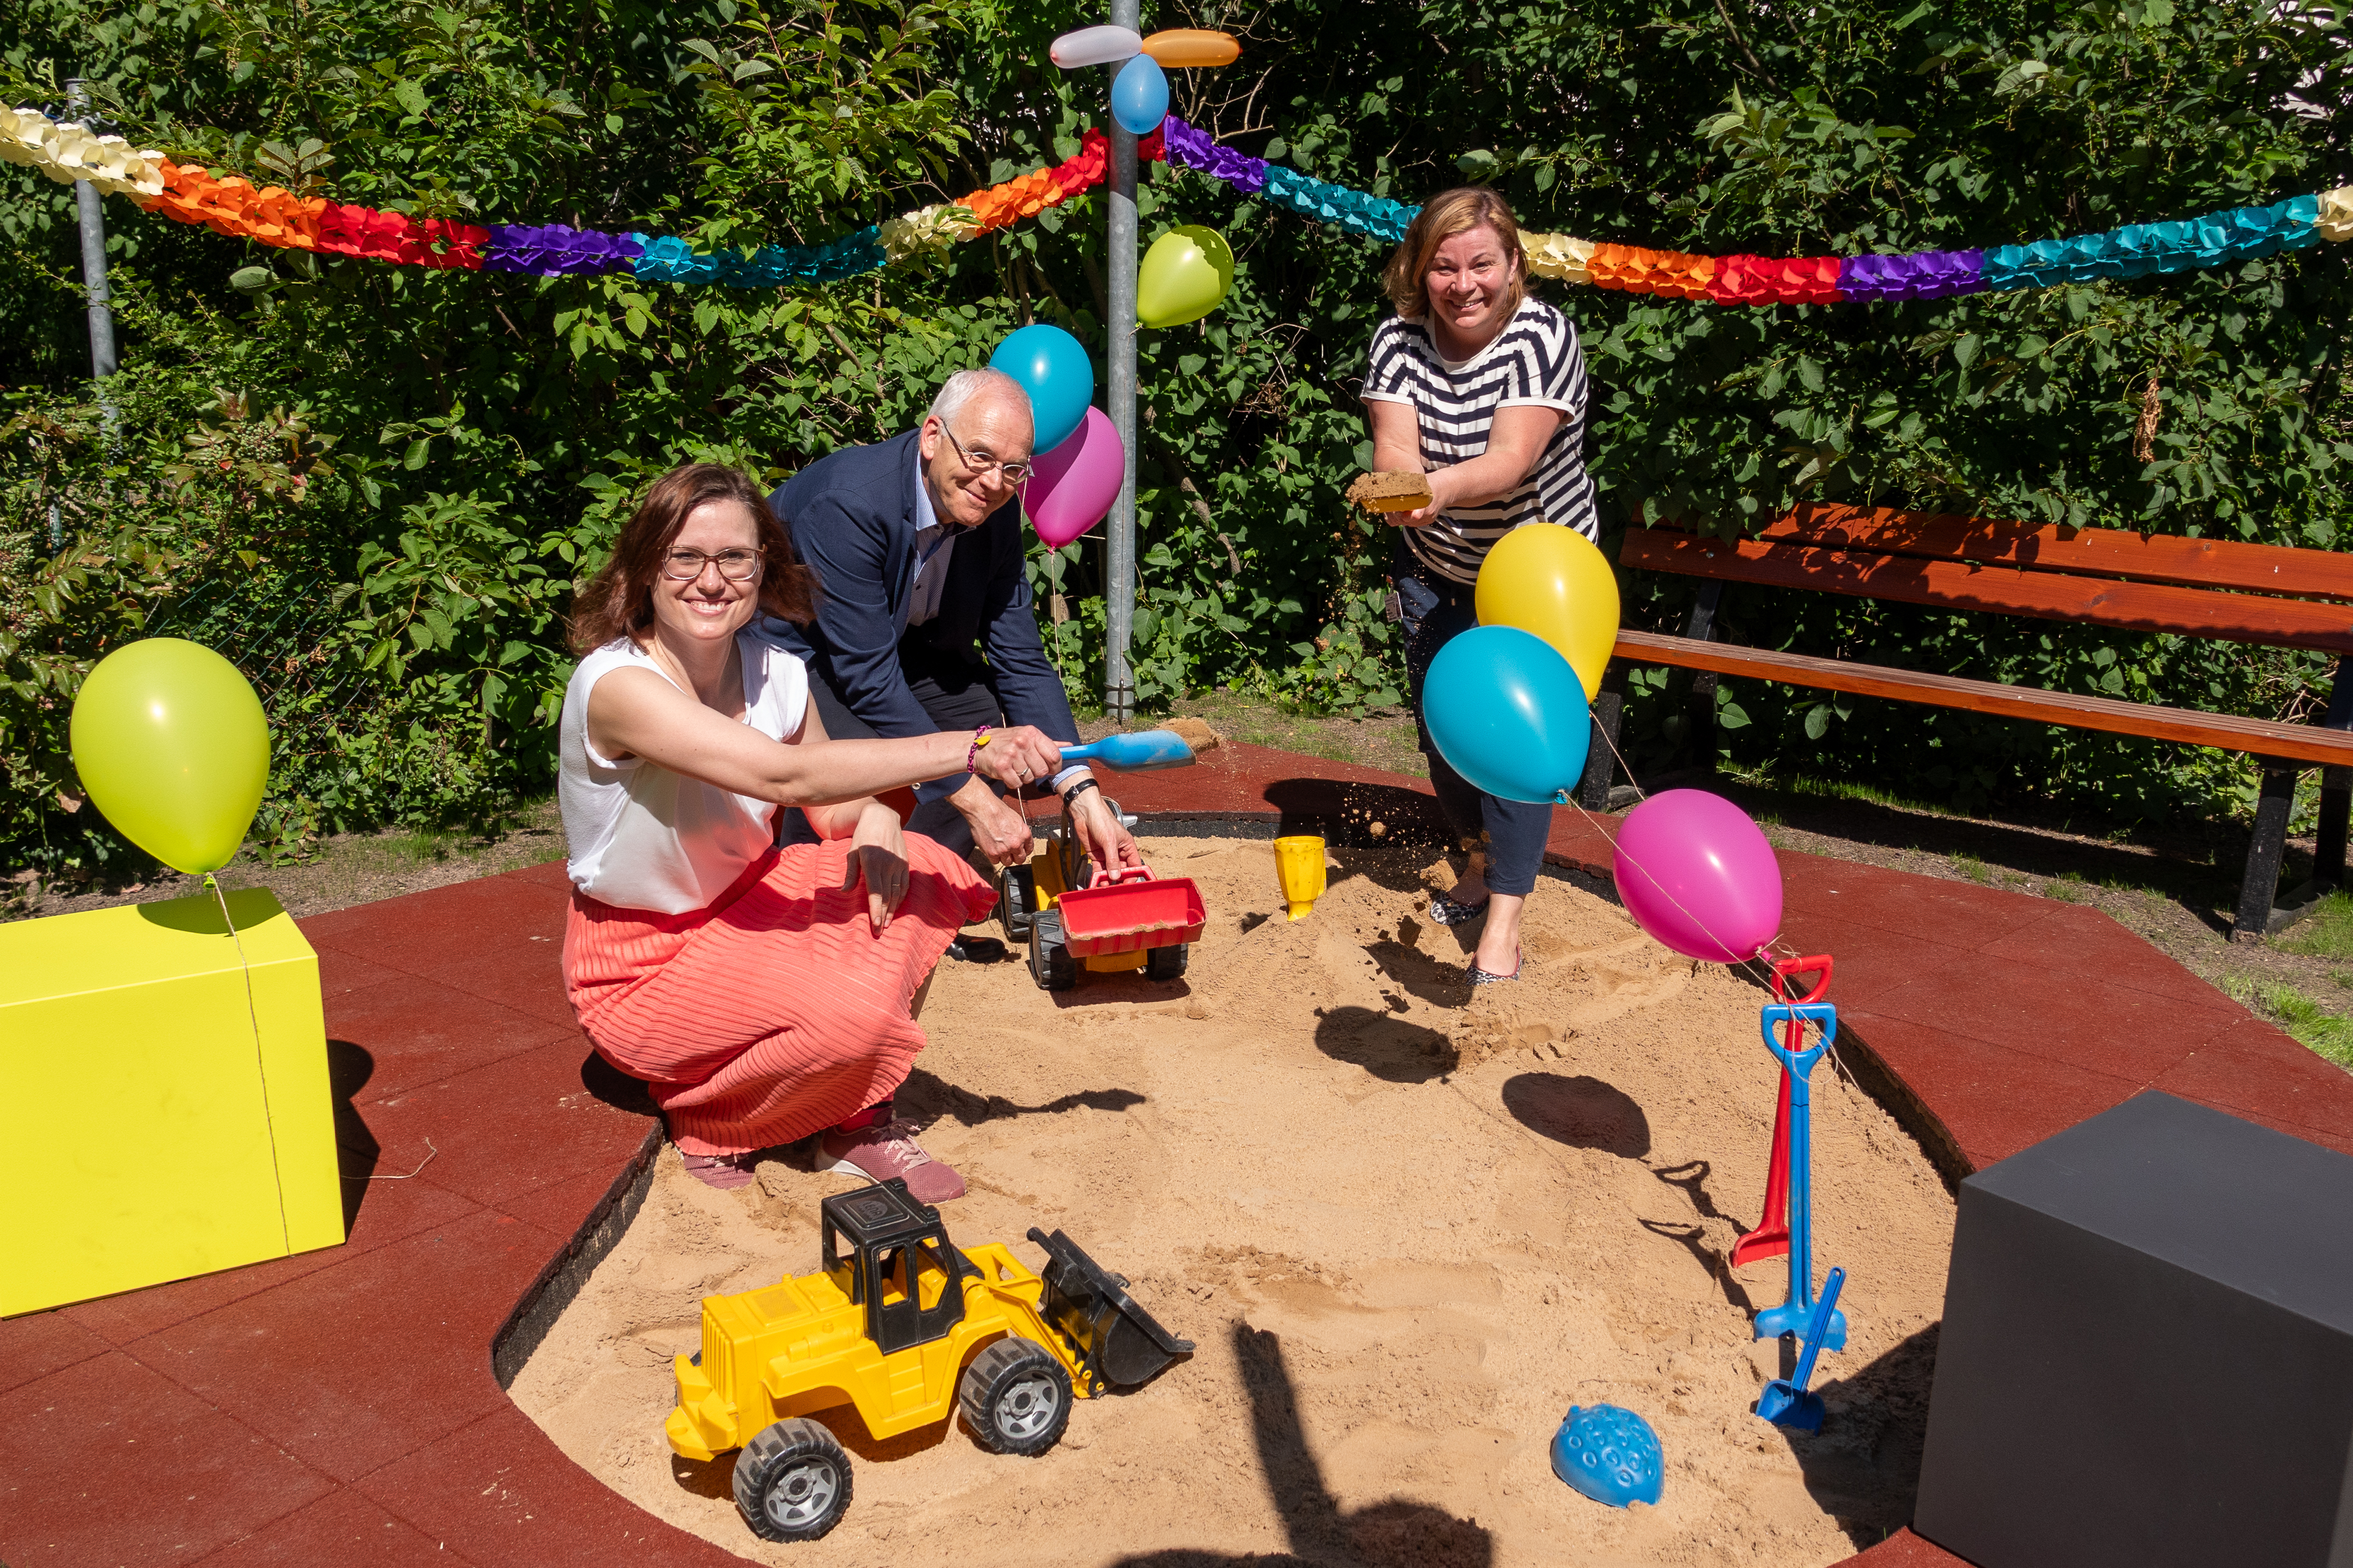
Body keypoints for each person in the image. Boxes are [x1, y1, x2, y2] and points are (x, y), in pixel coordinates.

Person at [558, 463, 1069, 1196]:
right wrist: (974, 745)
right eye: (685, 557)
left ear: (763, 566)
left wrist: (870, 818)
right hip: (639, 960)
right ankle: (712, 1114)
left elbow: (825, 805)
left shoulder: (774, 669)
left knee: (922, 866)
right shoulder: (617, 685)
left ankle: (858, 1118)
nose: (711, 579)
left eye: (735, 557)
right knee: (851, 1015)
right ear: (646, 567)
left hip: (744, 902)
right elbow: (780, 777)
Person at [768, 368, 1139, 959]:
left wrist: (1082, 791)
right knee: (836, 757)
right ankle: (808, 902)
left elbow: (1020, 658)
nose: (994, 482)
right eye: (981, 455)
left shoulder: (996, 515)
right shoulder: (848, 503)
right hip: (793, 656)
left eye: (1013, 469)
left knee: (984, 719)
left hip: (888, 654)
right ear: (933, 435)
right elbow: (865, 679)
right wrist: (976, 798)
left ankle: (909, 892)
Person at [1361, 186, 1600, 986]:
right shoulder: (1397, 341)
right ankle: (1476, 861)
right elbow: (1396, 444)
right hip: (1437, 560)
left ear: (1514, 267)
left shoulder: (1542, 337)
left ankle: (1504, 921)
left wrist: (1434, 489)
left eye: (1482, 265)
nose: (1464, 284)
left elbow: (1508, 462)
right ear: (1419, 271)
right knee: (1444, 730)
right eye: (1443, 267)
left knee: (1516, 740)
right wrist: (1400, 490)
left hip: (1537, 564)